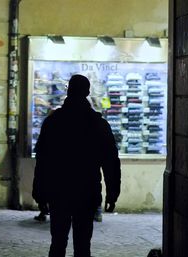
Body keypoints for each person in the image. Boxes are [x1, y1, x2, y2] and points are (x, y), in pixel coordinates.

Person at [32, 74, 121, 257]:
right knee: (82, 245)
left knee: (57, 243)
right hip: (86, 191)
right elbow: (110, 161)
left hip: (59, 190)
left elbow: (42, 159)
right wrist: (113, 192)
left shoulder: (53, 122)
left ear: (68, 91)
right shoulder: (98, 124)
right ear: (87, 92)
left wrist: (39, 191)